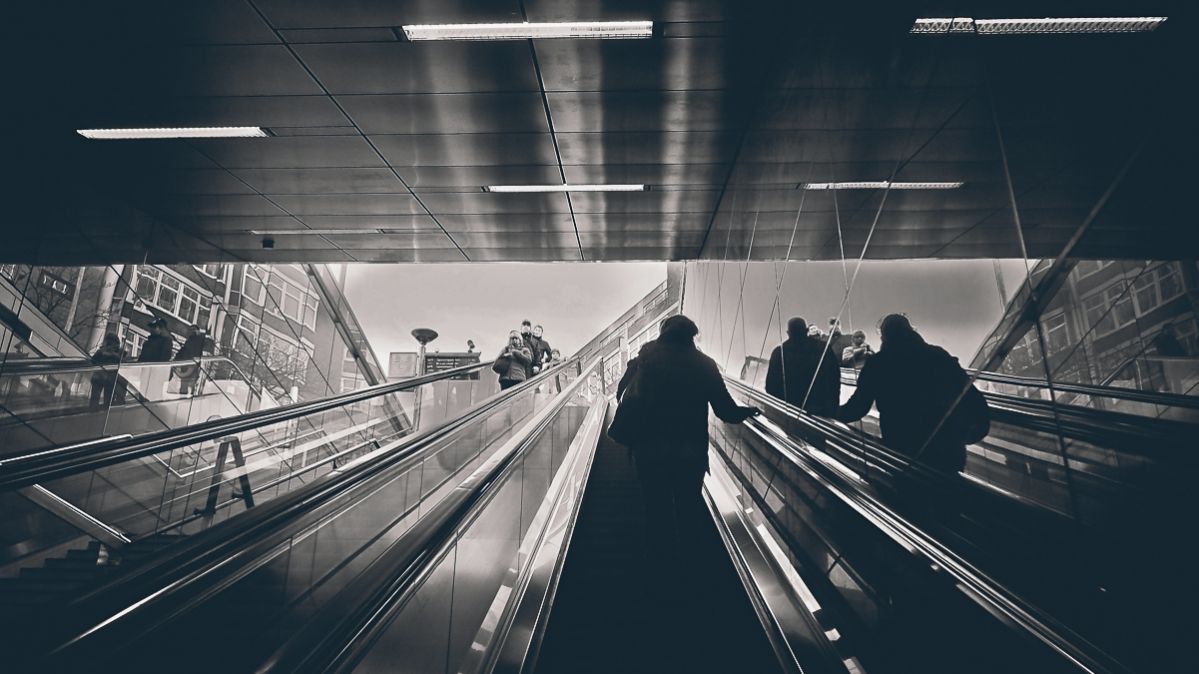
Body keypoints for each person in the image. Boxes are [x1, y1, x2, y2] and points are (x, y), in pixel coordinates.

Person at [614, 315, 759, 562]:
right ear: (692, 335)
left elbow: (621, 395)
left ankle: (659, 564)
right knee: (687, 508)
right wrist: (750, 410)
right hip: (689, 452)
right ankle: (689, 568)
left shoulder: (645, 358)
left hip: (650, 450)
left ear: (663, 333)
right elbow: (725, 410)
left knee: (656, 510)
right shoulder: (704, 364)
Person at [834, 314, 974, 475]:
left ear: (884, 336)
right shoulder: (939, 356)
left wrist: (831, 412)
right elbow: (970, 398)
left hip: (902, 449)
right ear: (910, 331)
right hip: (947, 451)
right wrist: (961, 437)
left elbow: (857, 408)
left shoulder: (879, 363)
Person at [765, 317, 841, 416]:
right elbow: (834, 379)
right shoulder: (823, 348)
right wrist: (832, 407)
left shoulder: (779, 352)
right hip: (819, 409)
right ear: (806, 330)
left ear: (788, 333)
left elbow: (771, 386)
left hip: (789, 410)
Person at [89, 333, 126, 410]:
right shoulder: (101, 351)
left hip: (104, 378)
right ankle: (96, 410)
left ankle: (95, 411)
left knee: (103, 400)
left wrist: (112, 354)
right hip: (103, 378)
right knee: (102, 400)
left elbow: (123, 363)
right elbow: (93, 361)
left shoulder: (118, 353)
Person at [173, 324, 205, 395]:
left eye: (193, 330)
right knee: (184, 386)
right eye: (190, 330)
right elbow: (184, 351)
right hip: (186, 366)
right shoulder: (190, 341)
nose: (190, 332)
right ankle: (183, 395)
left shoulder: (197, 341)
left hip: (191, 367)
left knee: (188, 386)